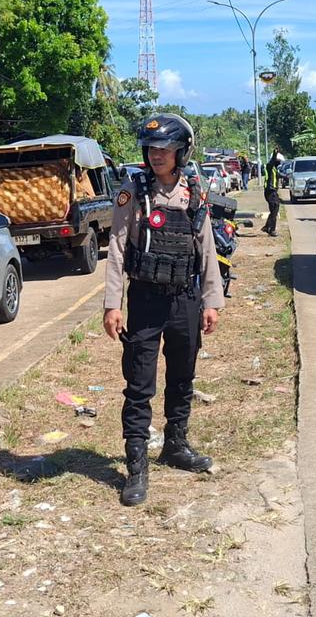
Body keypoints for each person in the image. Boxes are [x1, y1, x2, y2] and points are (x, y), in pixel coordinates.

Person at [104, 113, 223, 507]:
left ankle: (176, 444)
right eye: (152, 149)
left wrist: (212, 300)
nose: (157, 155)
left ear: (181, 152)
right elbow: (117, 247)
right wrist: (112, 304)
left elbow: (206, 246)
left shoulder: (194, 191)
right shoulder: (134, 190)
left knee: (183, 374)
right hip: (145, 298)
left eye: (165, 149)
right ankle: (136, 465)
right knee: (139, 382)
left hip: (184, 297)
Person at [263, 147, 283, 237]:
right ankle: (272, 230)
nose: (279, 162)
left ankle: (267, 226)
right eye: (278, 161)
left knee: (274, 209)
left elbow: (279, 176)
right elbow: (272, 161)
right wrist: (275, 153)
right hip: (270, 191)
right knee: (274, 210)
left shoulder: (274, 169)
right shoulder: (269, 166)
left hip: (273, 192)